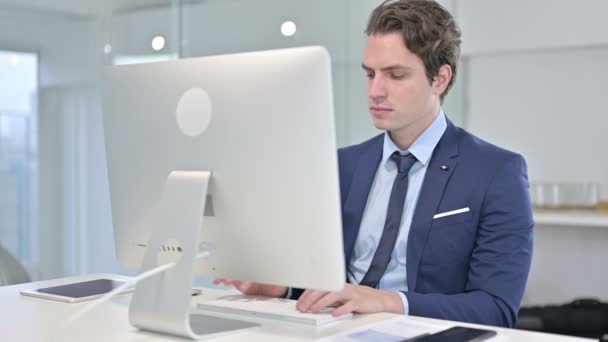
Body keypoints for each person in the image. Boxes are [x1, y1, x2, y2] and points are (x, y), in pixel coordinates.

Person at [215, 0, 533, 328]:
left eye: (395, 75)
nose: (375, 91)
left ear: (440, 79)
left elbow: (496, 308)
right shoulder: (341, 165)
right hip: (332, 330)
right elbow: (323, 279)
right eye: (370, 74)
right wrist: (282, 287)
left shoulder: (496, 173)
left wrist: (389, 302)